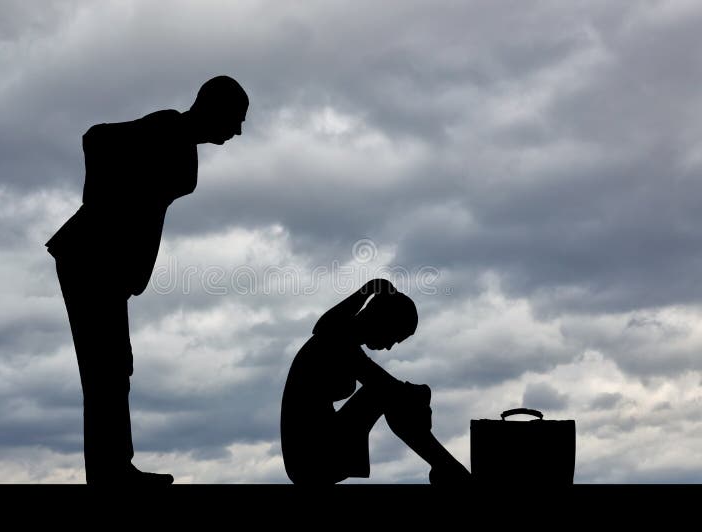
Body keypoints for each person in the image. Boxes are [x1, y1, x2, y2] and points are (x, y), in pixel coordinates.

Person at [46, 76, 249, 486]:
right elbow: (95, 139)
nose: (238, 131)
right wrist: (101, 207)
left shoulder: (183, 143)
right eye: (236, 120)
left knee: (115, 367)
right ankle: (110, 474)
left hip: (107, 271)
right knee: (105, 370)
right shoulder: (167, 126)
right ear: (214, 109)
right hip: (88, 260)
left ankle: (116, 468)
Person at [280, 279, 471, 485]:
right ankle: (447, 467)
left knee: (390, 393)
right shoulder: (339, 343)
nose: (389, 347)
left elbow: (328, 325)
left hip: (314, 453)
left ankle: (445, 465)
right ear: (383, 321)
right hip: (311, 459)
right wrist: (419, 394)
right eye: (394, 337)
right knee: (384, 394)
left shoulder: (338, 338)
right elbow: (383, 384)